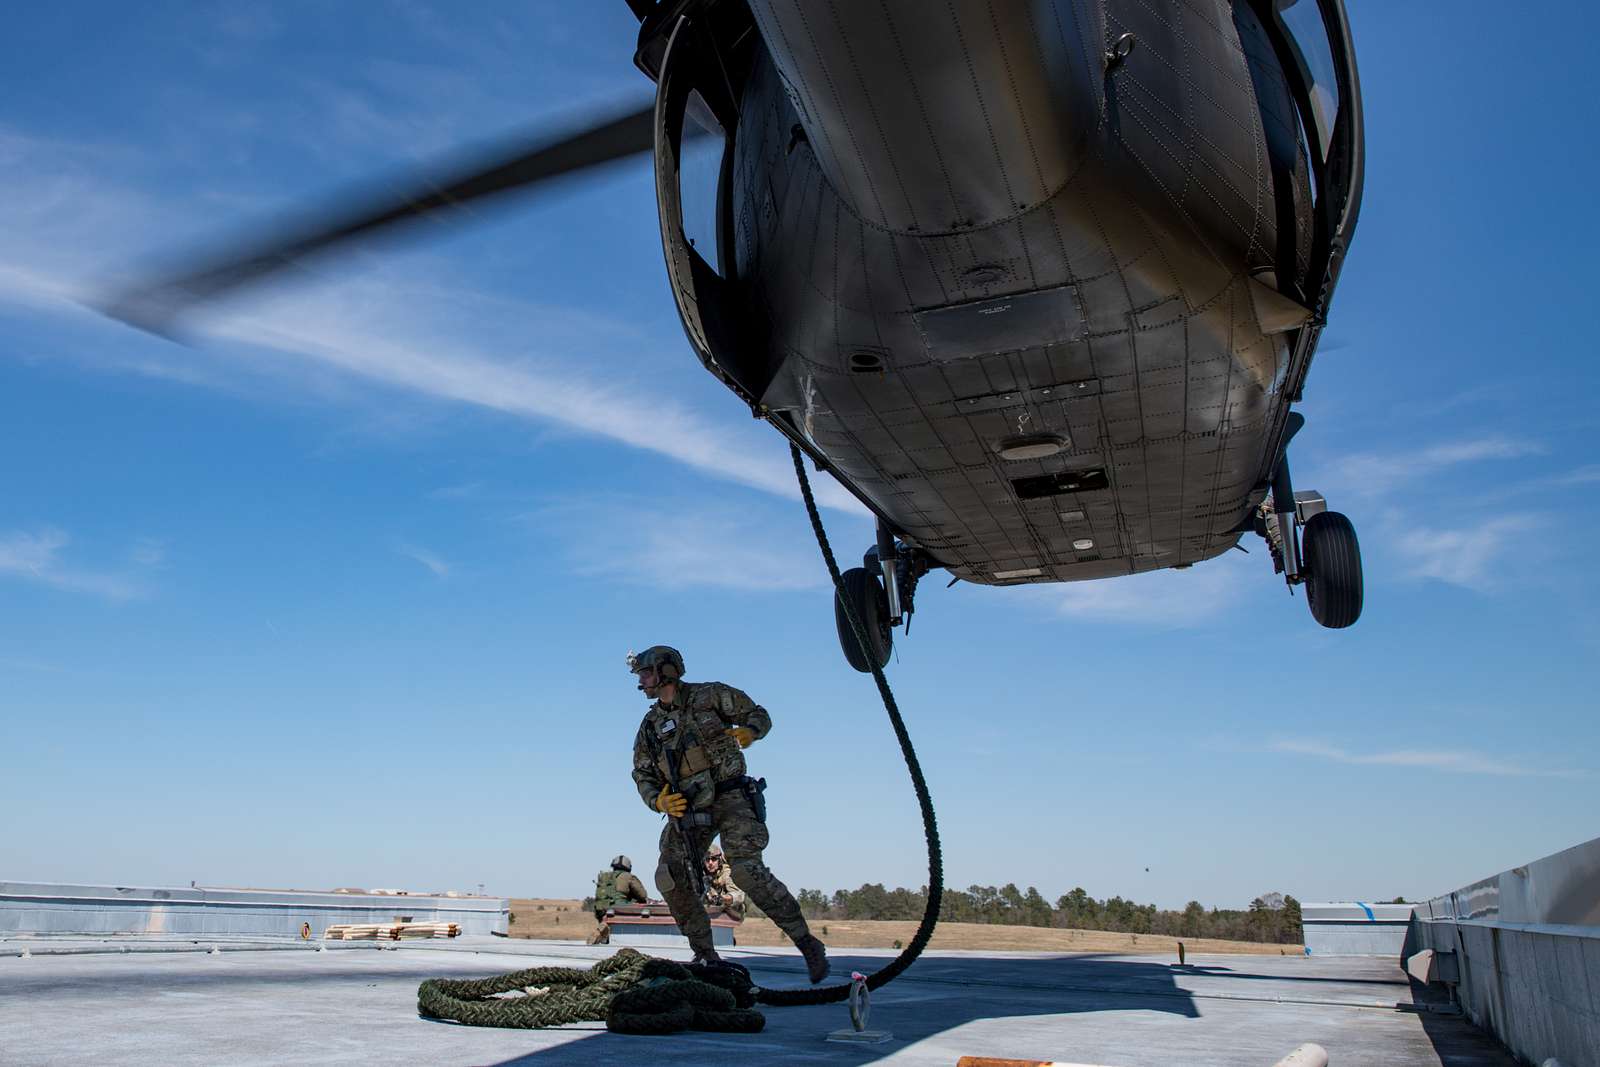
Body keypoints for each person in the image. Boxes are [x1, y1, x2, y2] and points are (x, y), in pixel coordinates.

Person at [628, 645, 829, 981]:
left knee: (746, 871)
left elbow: (759, 714)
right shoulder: (651, 726)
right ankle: (706, 956)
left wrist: (751, 731)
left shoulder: (711, 696)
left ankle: (806, 942)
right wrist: (658, 802)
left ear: (666, 671)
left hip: (731, 795)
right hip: (688, 806)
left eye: (646, 673)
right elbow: (642, 773)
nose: (642, 681)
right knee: (670, 875)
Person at [587, 854, 649, 945]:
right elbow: (643, 895)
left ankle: (604, 932)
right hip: (619, 910)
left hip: (600, 910)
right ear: (628, 867)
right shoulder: (628, 877)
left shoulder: (604, 876)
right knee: (637, 904)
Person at [703, 844, 746, 922]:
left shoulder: (727, 873)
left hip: (733, 913)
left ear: (719, 860)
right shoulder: (702, 874)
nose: (710, 863)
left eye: (713, 859)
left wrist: (722, 898)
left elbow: (739, 895)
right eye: (707, 859)